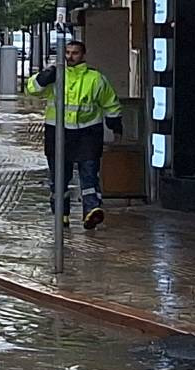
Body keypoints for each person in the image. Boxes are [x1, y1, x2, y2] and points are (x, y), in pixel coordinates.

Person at [27, 40, 123, 230]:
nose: (70, 56)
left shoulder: (95, 78)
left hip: (87, 133)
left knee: (89, 174)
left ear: (83, 55)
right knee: (59, 176)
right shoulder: (56, 75)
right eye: (68, 52)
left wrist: (115, 124)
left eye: (75, 53)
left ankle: (91, 210)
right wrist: (44, 76)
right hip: (58, 132)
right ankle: (61, 214)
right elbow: (32, 90)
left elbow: (110, 102)